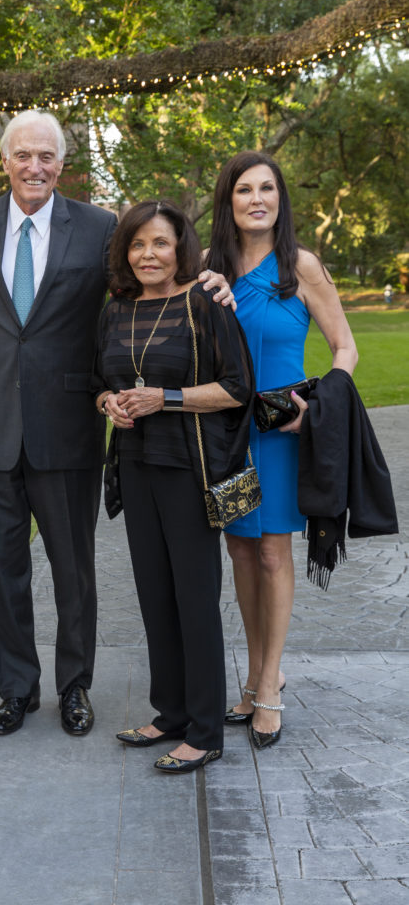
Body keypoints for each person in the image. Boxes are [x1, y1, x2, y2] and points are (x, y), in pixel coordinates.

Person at [0, 111, 235, 738]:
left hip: (70, 427)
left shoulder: (102, 227)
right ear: (5, 161)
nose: (34, 167)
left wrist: (207, 278)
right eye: (23, 155)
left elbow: (147, 274)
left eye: (46, 157)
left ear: (61, 163)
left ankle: (74, 687)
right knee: (3, 571)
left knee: (74, 570)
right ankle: (15, 690)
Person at [93, 199, 254, 774]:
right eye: (137, 244)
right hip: (134, 465)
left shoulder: (205, 302)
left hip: (189, 468)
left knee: (194, 597)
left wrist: (166, 398)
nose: (148, 255)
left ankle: (207, 728)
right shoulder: (116, 308)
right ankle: (172, 713)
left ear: (180, 246)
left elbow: (237, 387)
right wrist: (110, 401)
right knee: (155, 595)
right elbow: (100, 382)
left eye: (160, 243)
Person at [205, 150, 357, 749]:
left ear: (280, 199)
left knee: (272, 554)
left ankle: (267, 685)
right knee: (240, 554)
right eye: (245, 190)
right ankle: (256, 672)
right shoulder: (209, 269)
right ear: (229, 201)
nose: (257, 199)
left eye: (268, 188)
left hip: (278, 434)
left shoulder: (301, 267)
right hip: (226, 437)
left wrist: (318, 409)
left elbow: (344, 348)